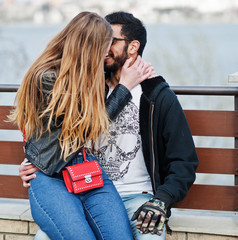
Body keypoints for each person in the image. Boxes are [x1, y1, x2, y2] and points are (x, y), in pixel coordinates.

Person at [20, 11, 199, 240]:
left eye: (111, 41)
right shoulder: (88, 86)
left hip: (136, 198)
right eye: (101, 41)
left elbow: (184, 161)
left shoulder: (157, 97)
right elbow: (53, 127)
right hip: (78, 187)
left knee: (151, 237)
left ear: (133, 47)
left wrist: (162, 200)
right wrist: (33, 159)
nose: (105, 49)